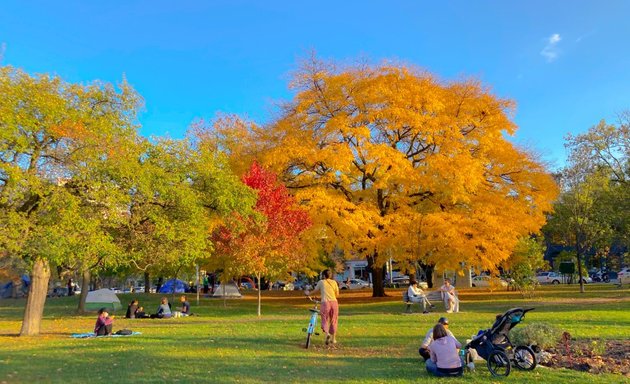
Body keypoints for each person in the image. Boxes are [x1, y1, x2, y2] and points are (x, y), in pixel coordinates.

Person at [305, 269, 340, 346]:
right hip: (334, 302)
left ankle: (327, 334)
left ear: (324, 275)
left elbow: (315, 290)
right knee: (334, 320)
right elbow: (337, 294)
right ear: (330, 275)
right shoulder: (334, 282)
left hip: (325, 302)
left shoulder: (321, 282)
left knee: (324, 319)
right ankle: (333, 339)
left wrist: (308, 294)